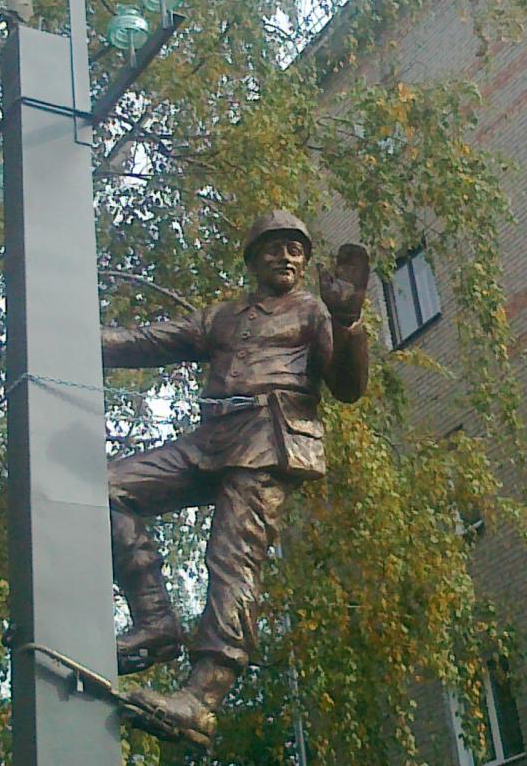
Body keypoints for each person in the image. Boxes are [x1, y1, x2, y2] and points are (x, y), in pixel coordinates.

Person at [102, 209, 370, 743]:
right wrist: (73, 338)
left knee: (231, 560)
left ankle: (202, 698)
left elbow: (347, 387)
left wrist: (347, 322)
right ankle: (156, 623)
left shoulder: (314, 312)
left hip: (269, 439)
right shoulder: (224, 317)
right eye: (274, 247)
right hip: (213, 438)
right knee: (105, 488)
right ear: (253, 259)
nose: (286, 257)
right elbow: (150, 341)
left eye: (296, 249)